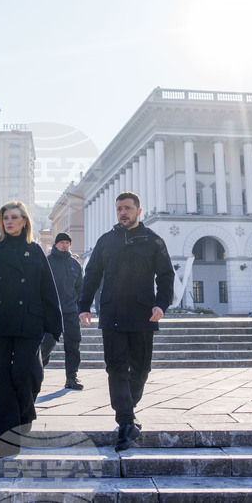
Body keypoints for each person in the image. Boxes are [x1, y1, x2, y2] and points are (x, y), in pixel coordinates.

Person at [0, 201, 62, 458]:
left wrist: (55, 324)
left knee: (28, 373)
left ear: (25, 221)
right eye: (5, 217)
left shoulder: (35, 250)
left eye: (15, 217)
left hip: (28, 319)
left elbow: (47, 288)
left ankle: (24, 415)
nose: (9, 221)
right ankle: (4, 437)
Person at [78, 191, 174, 452]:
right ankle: (125, 422)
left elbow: (166, 276)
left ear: (138, 211)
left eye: (128, 208)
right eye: (119, 208)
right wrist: (84, 306)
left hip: (143, 315)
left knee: (141, 370)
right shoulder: (106, 241)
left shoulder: (153, 241)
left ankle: (128, 413)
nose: (123, 212)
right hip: (113, 316)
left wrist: (161, 304)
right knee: (116, 369)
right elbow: (92, 275)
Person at [40, 232, 85, 390]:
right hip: (51, 312)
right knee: (46, 344)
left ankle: (71, 378)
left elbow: (79, 289)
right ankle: (37, 373)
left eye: (67, 242)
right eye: (62, 242)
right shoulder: (47, 262)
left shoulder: (75, 264)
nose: (65, 245)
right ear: (56, 244)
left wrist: (77, 307)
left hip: (70, 312)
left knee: (73, 345)